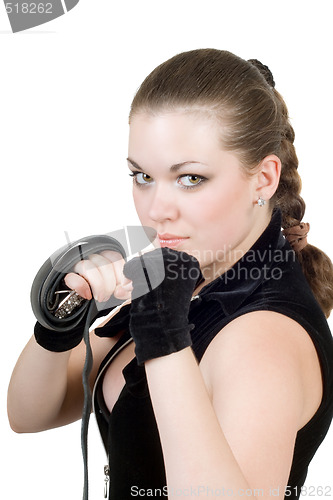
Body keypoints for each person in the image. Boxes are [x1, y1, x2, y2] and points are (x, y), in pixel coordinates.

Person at [7, 49, 333, 499]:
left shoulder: (261, 338)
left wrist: (163, 330)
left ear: (263, 179)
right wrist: (63, 323)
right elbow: (30, 415)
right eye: (142, 177)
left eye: (191, 179)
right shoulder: (192, 278)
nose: (157, 210)